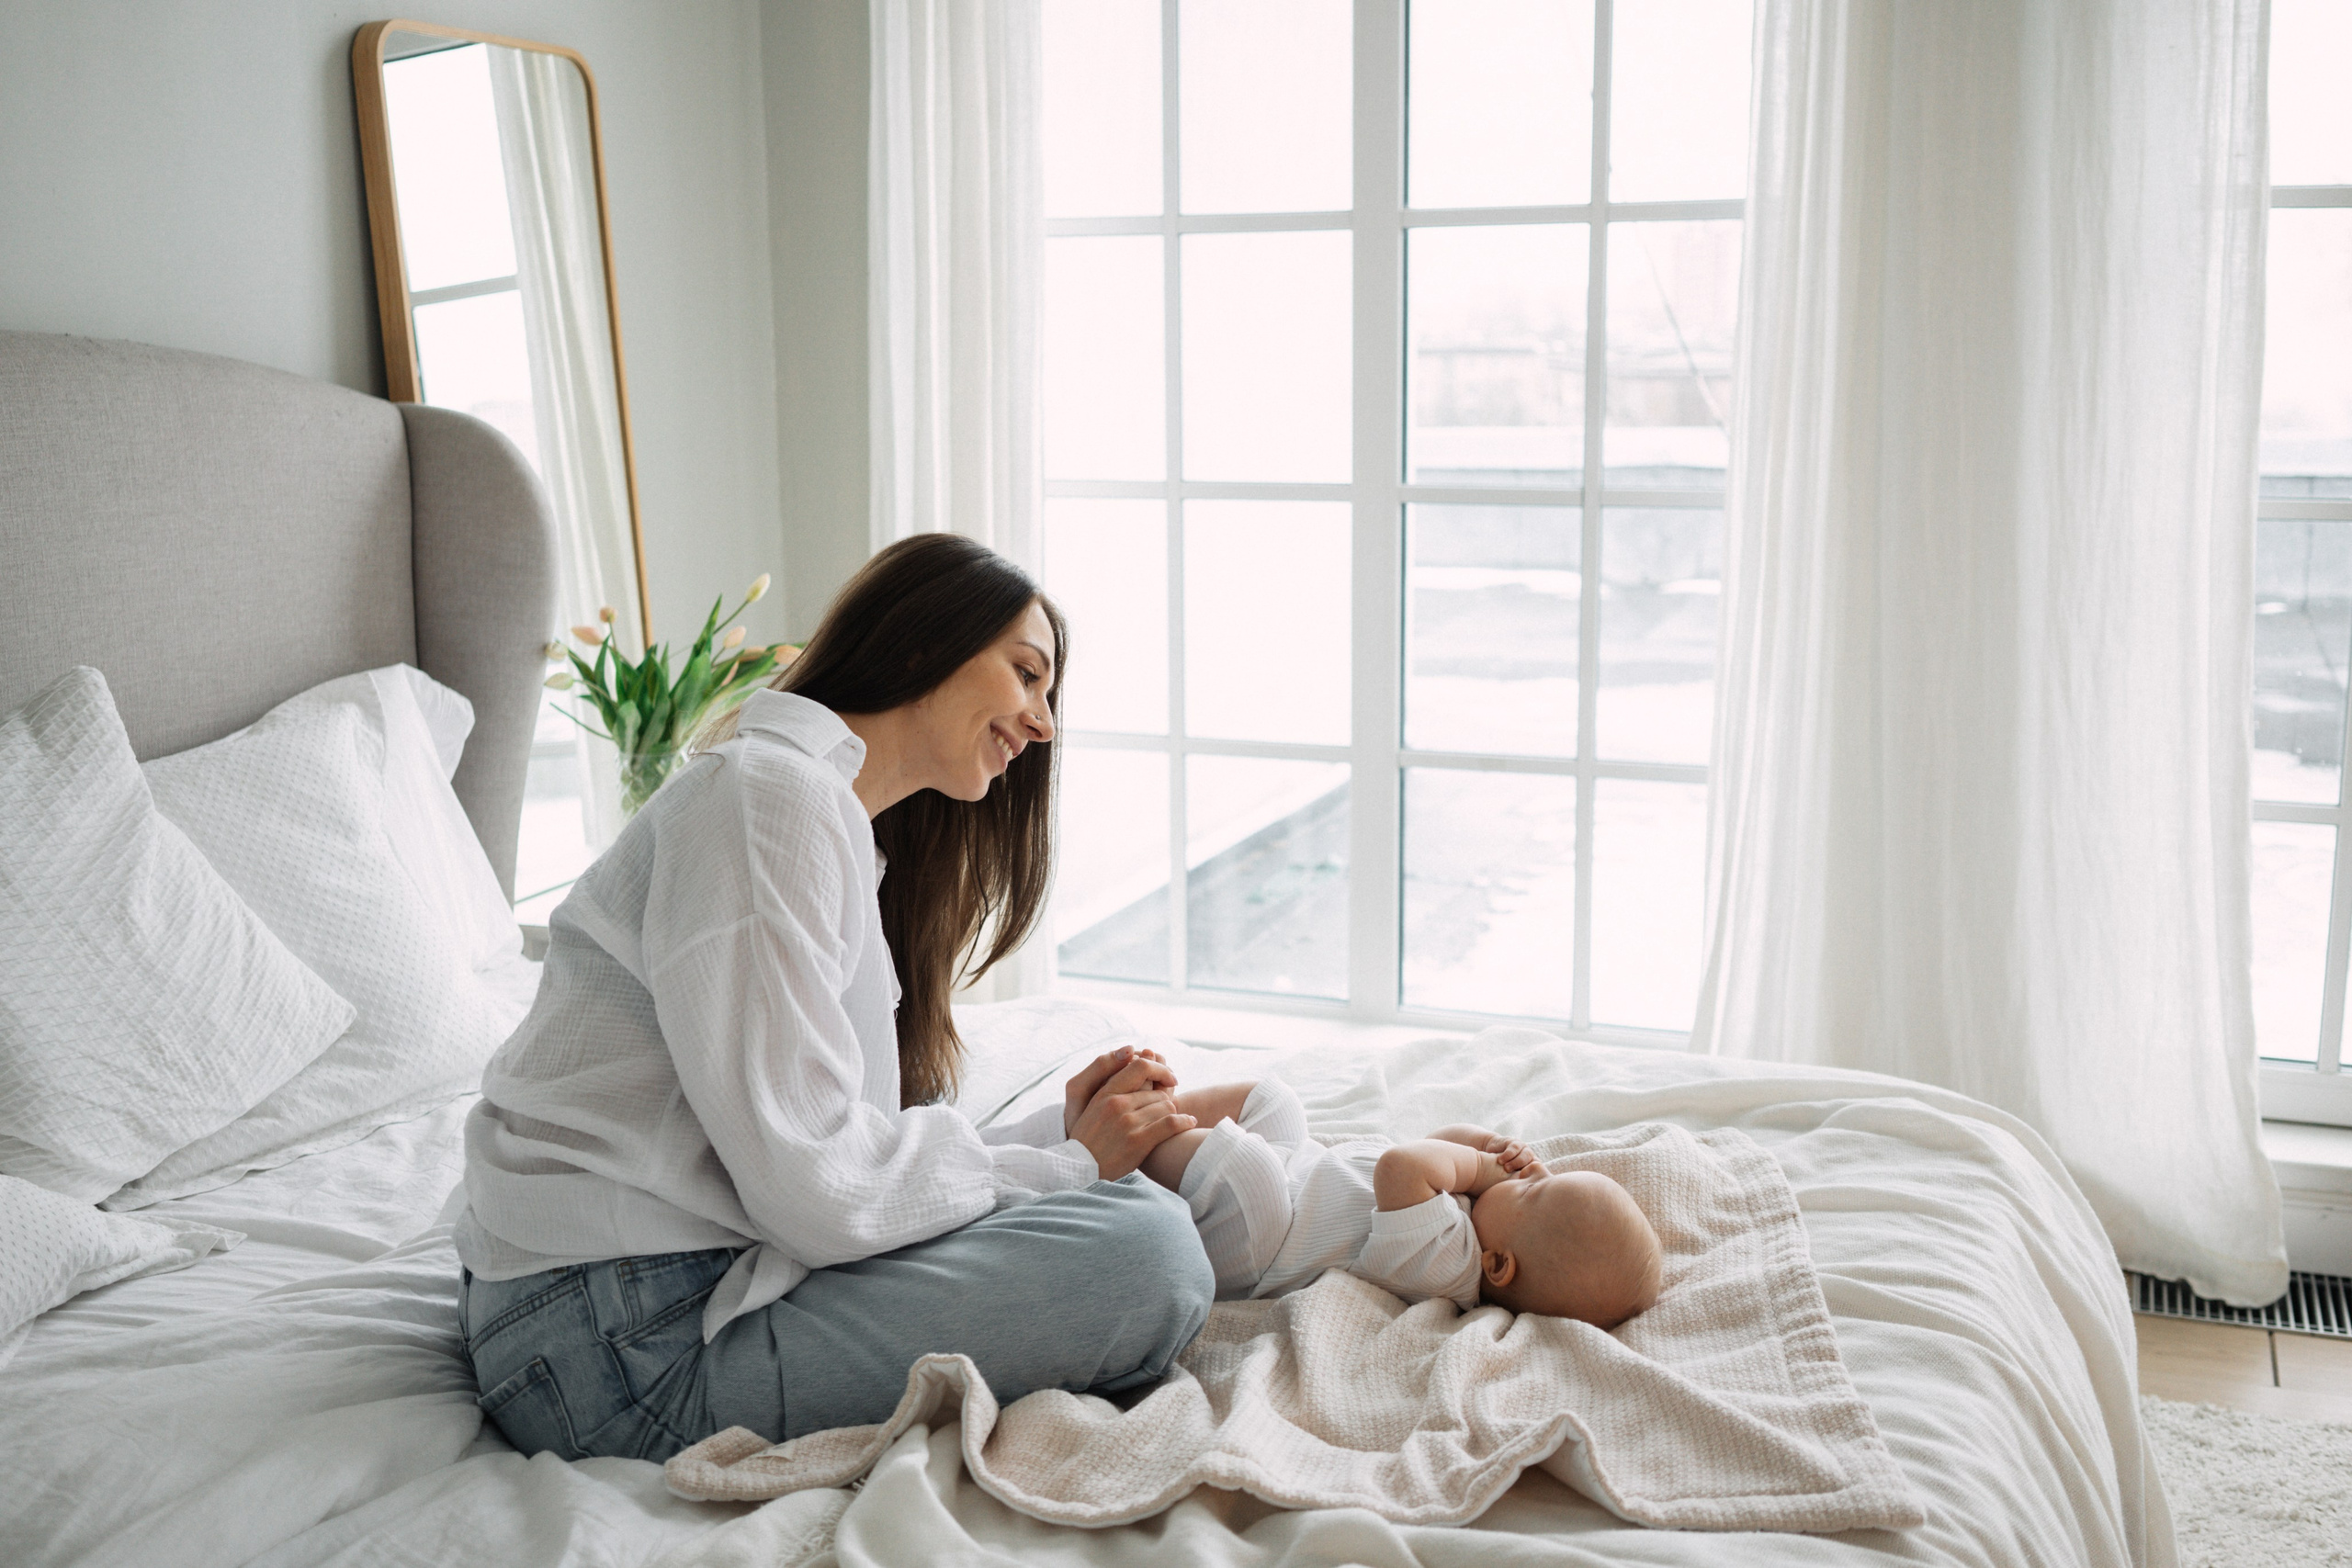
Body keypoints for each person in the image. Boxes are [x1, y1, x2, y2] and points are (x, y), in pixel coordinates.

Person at [452, 534, 1215, 1461]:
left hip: (621, 1310)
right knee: (1148, 1251)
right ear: (917, 645)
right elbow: (815, 1190)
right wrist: (1068, 1169)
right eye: (1025, 674)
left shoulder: (821, 820)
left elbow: (824, 1152)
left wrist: (1057, 1141)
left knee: (1137, 1214)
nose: (1043, 722)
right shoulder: (766, 802)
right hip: (615, 1354)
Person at [1137, 1078, 1663, 1329]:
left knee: (1245, 1167)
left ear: (1499, 1266)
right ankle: (1150, 1113)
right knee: (1275, 1102)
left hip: (1263, 1245)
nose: (1528, 1172)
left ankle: (1124, 1150)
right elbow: (1441, 1140)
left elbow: (1402, 1165)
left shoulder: (1449, 1264)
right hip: (1298, 1173)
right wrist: (1487, 1146)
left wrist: (1482, 1167)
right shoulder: (1471, 1220)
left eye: (1532, 1189)